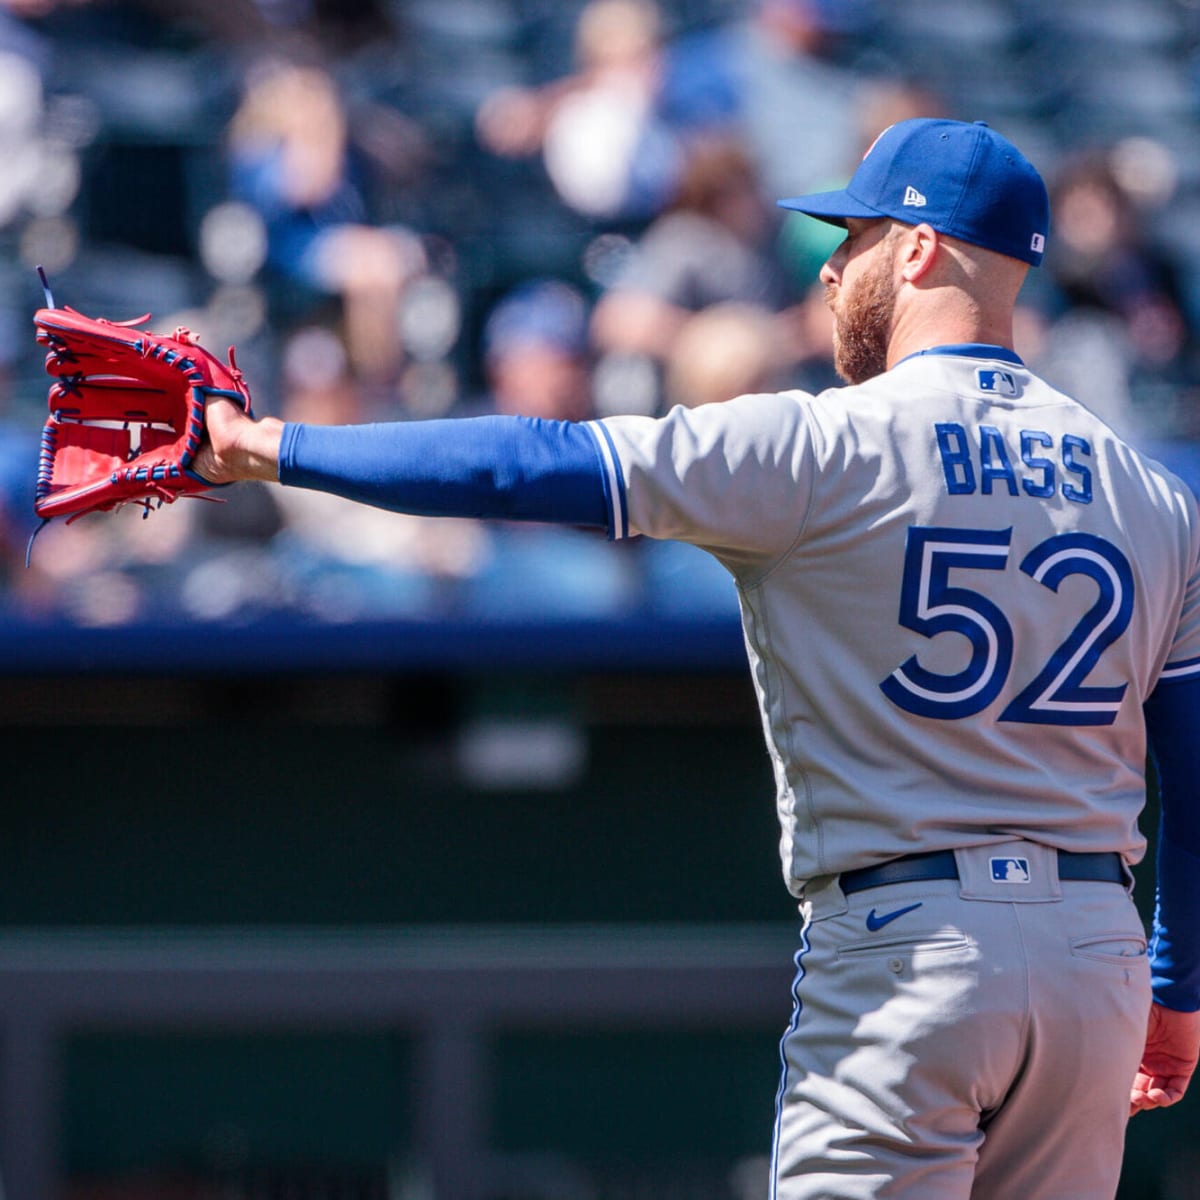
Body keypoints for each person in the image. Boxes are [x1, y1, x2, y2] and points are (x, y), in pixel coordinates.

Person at [193, 119, 1200, 1198]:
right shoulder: (1152, 492)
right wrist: (1174, 993)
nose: (828, 269)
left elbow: (532, 462)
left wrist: (269, 446)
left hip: (914, 946)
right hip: (1095, 955)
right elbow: (1189, 779)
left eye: (851, 236)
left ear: (916, 250)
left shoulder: (824, 447)